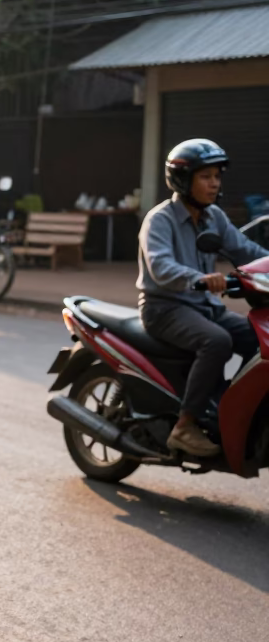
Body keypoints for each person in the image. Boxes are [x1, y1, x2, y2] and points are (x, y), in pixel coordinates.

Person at [139, 139, 269, 458]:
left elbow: (247, 251)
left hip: (205, 307)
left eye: (216, 176)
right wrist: (200, 279)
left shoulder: (214, 218)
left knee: (258, 341)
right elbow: (161, 267)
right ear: (184, 180)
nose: (214, 183)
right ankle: (185, 425)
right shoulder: (160, 219)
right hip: (165, 309)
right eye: (205, 176)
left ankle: (229, 408)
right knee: (217, 342)